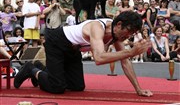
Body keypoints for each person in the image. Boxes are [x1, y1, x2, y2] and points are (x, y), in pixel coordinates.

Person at [14, 11, 152, 97]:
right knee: (57, 87)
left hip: (73, 50)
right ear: (119, 24)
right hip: (57, 42)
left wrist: (138, 89)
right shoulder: (98, 27)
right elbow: (98, 58)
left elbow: (125, 61)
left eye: (133, 33)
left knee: (77, 87)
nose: (128, 36)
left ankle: (42, 68)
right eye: (129, 30)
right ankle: (31, 69)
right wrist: (131, 52)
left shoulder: (117, 35)